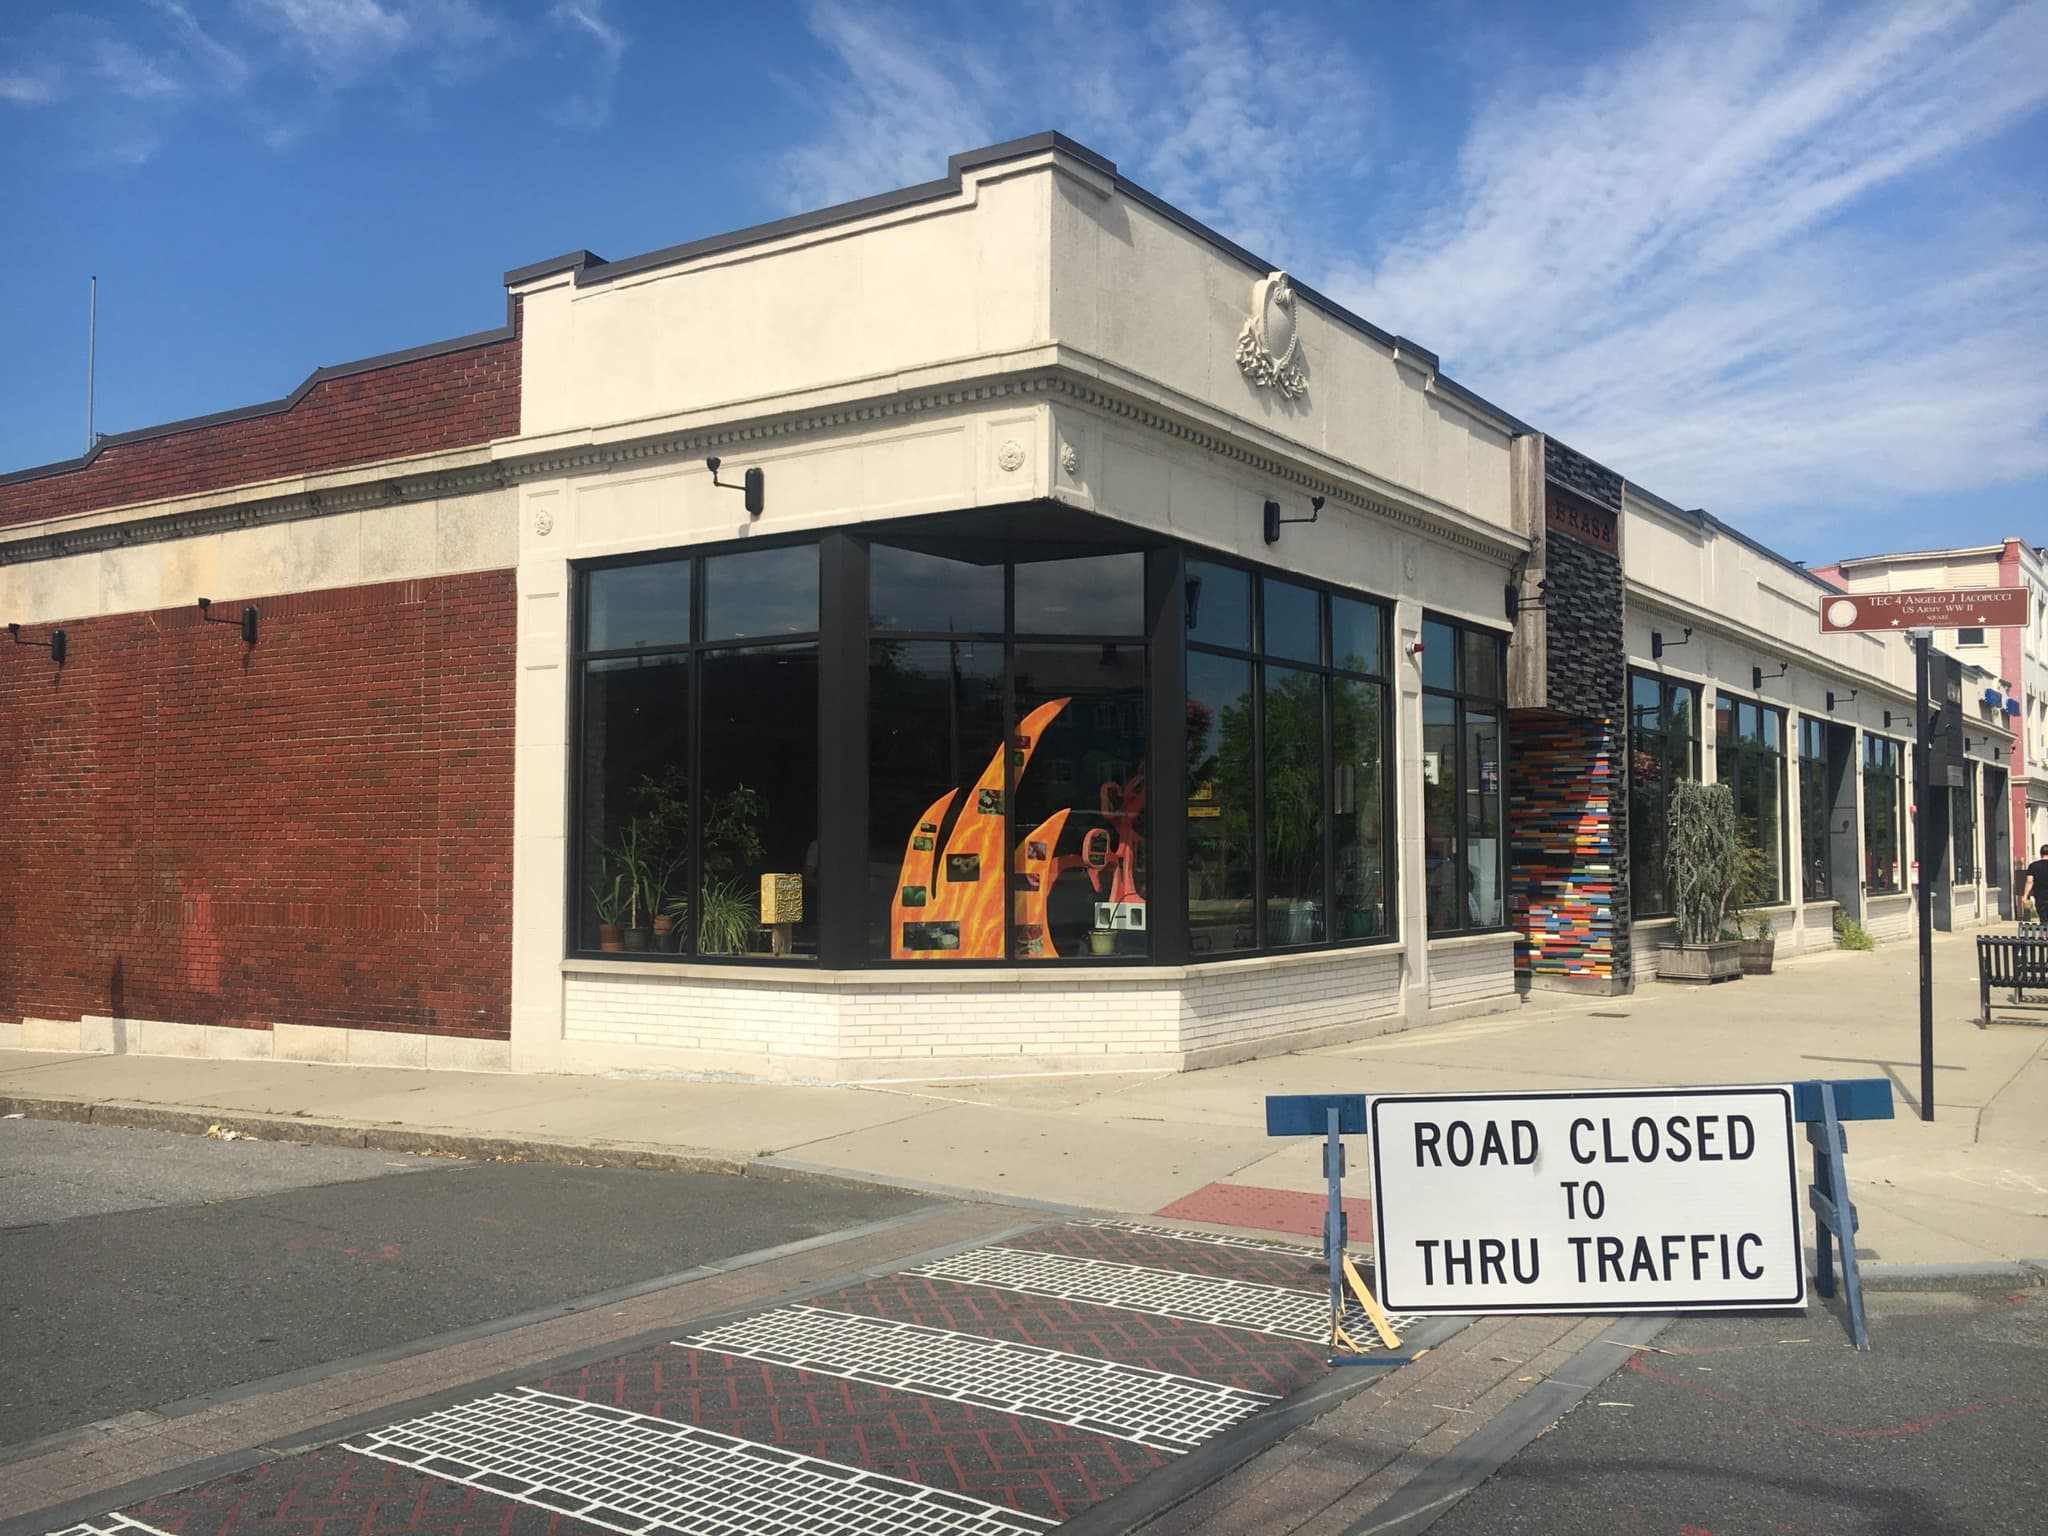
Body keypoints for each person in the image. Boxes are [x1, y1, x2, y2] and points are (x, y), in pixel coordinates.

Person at [2023, 844, 2048, 923]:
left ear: (2040, 854)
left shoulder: (2033, 866)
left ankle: (2045, 930)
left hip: (2040, 896)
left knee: (2043, 920)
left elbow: (2029, 881)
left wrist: (2025, 896)